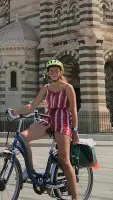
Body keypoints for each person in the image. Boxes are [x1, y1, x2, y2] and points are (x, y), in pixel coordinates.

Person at [9, 59, 80, 200]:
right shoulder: (46, 87)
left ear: (60, 72)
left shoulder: (68, 87)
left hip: (63, 121)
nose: (53, 72)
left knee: (64, 160)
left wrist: (75, 132)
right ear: (48, 73)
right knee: (23, 137)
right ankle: (29, 171)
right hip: (49, 120)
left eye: (56, 70)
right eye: (51, 70)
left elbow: (73, 110)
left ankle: (75, 198)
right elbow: (33, 106)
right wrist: (16, 111)